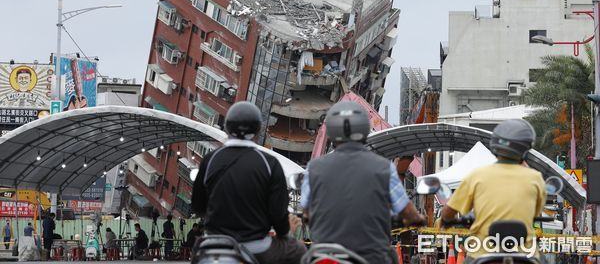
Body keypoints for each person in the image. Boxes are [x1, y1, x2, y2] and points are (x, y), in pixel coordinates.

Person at [301, 101, 427, 264]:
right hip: (371, 255)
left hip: (326, 254)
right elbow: (407, 212)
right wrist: (419, 219)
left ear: (331, 131)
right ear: (364, 129)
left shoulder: (314, 168)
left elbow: (306, 211)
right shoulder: (384, 168)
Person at [192, 101, 306, 264]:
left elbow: (198, 206)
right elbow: (277, 213)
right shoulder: (269, 163)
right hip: (256, 248)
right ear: (258, 130)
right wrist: (285, 233)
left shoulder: (211, 159)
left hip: (214, 244)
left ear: (227, 127)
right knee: (298, 250)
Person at [440, 119, 546, 261]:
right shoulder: (535, 178)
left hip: (482, 252)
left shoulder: (477, 175)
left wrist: (447, 220)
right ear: (526, 148)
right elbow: (536, 212)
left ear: (495, 144)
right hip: (525, 253)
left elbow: (449, 211)